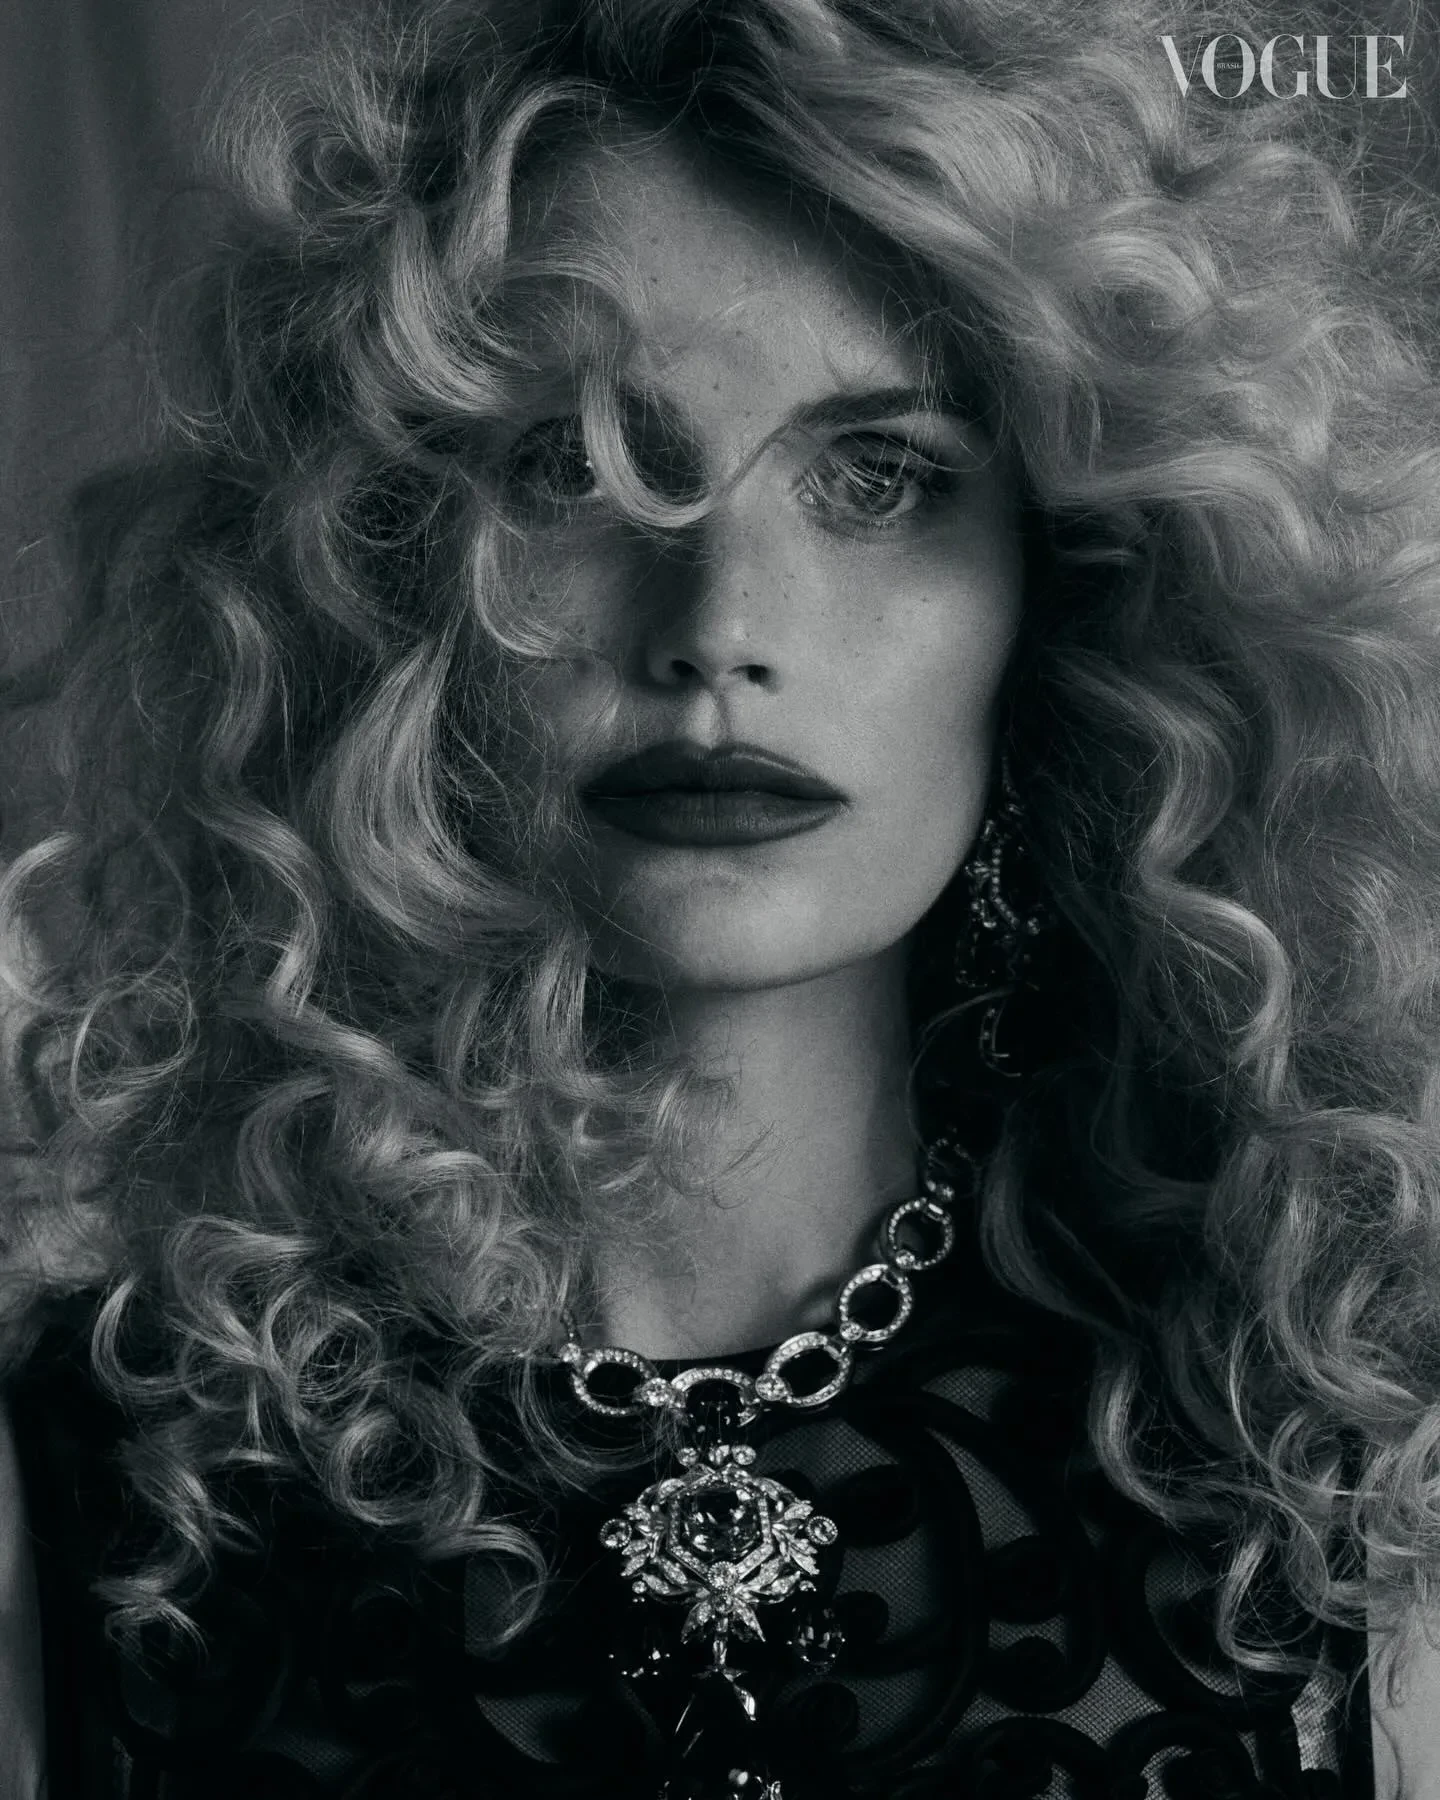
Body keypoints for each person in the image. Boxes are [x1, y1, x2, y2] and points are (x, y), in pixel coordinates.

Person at [2, 0, 1439, 1794]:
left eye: (881, 477)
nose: (720, 628)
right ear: (382, 577)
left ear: (1071, 585)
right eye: (575, 464)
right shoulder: (97, 1483)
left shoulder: (1338, 1433)